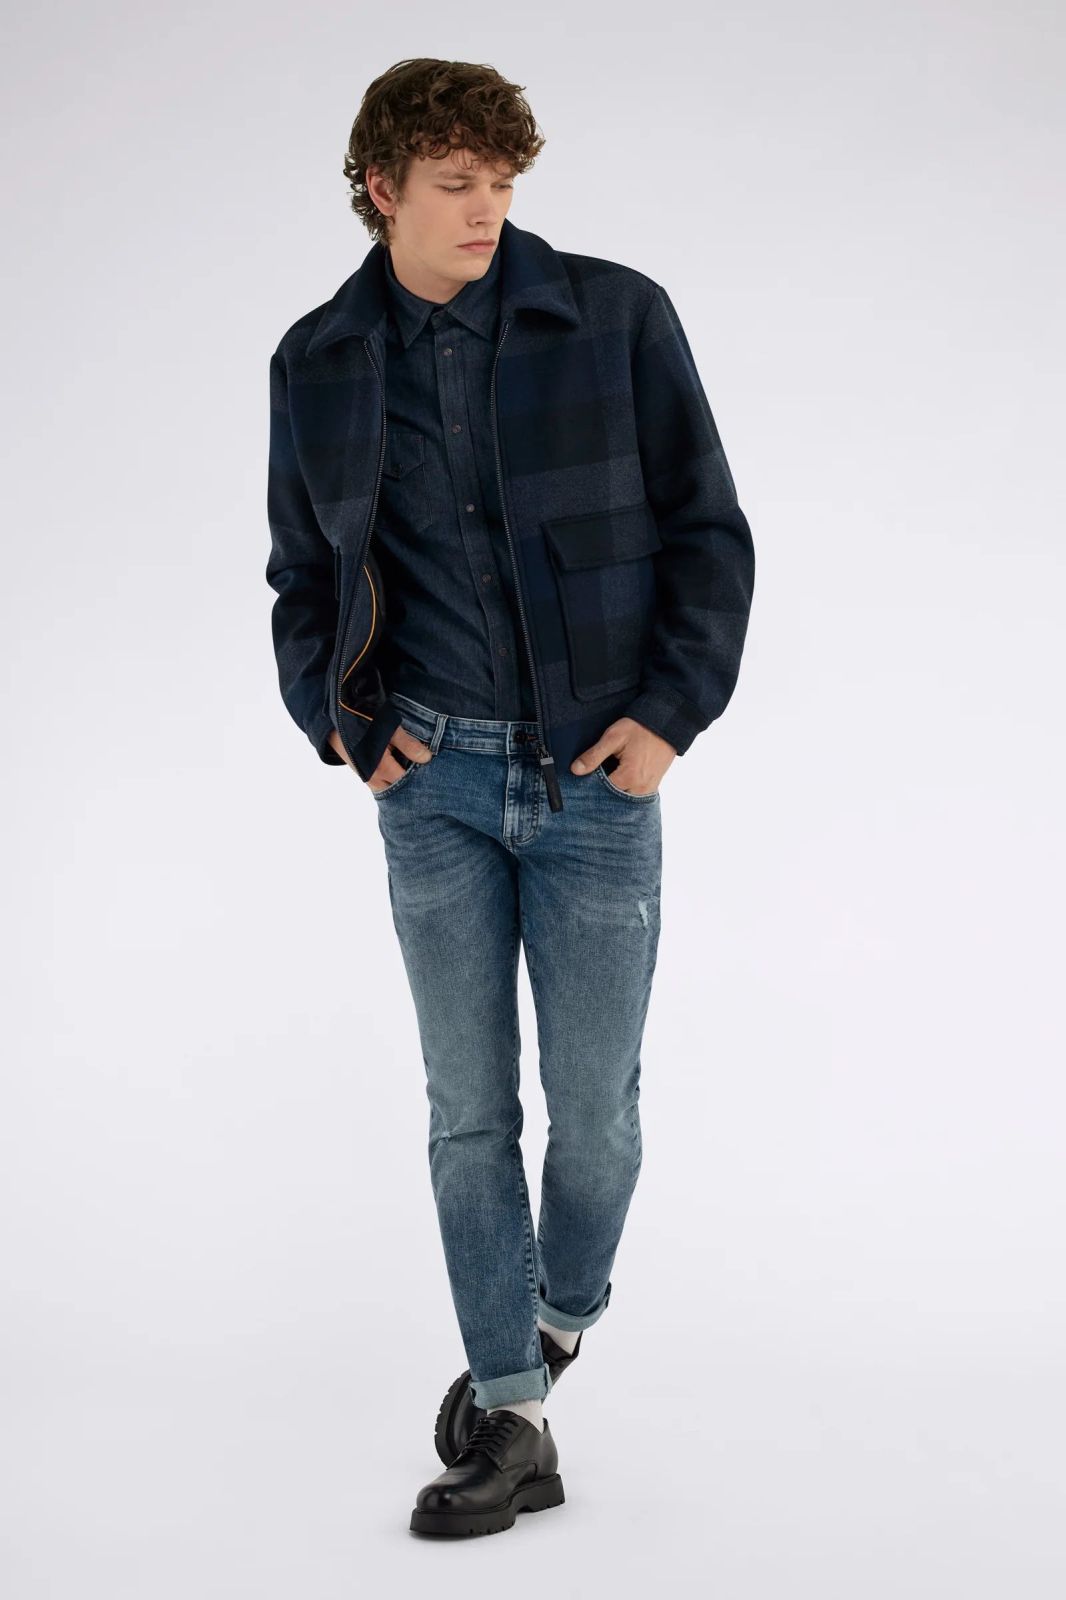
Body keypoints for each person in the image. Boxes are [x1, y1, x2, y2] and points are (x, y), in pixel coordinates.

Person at [265, 56, 755, 1538]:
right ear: (381, 189)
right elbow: (301, 577)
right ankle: (513, 1416)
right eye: (455, 184)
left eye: (501, 182)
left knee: (593, 1118)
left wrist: (669, 716)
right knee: (468, 1113)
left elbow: (708, 530)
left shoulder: (613, 316)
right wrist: (341, 723)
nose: (485, 211)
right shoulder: (317, 362)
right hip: (431, 786)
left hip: (595, 779)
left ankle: (556, 1315)